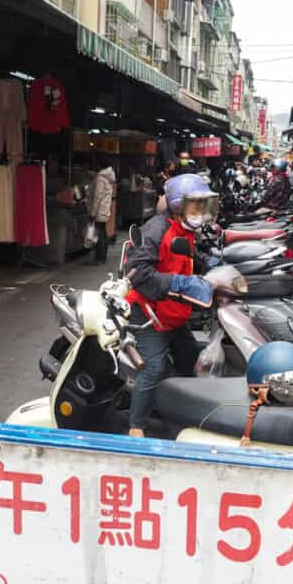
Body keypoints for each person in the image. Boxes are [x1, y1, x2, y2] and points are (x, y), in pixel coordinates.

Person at [124, 174, 217, 438]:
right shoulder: (155, 230)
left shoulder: (185, 230)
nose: (200, 212)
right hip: (148, 314)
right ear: (178, 206)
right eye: (195, 206)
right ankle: (136, 427)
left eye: (203, 206)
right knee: (152, 368)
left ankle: (175, 405)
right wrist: (178, 283)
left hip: (174, 314)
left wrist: (212, 266)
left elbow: (190, 256)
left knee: (190, 357)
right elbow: (138, 273)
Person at [88, 158, 116, 265]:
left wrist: (92, 213)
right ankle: (102, 256)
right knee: (102, 232)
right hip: (105, 208)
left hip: (99, 210)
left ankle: (99, 258)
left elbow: (97, 197)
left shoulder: (100, 177)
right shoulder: (108, 177)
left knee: (99, 233)